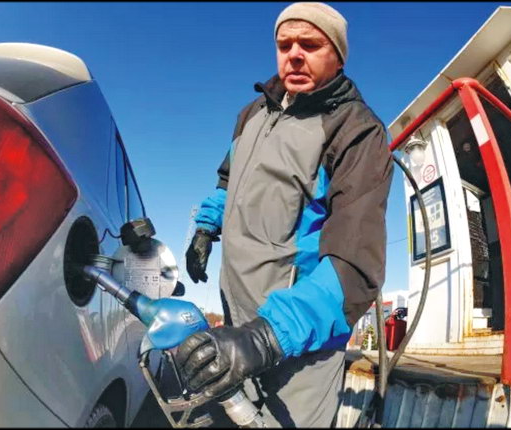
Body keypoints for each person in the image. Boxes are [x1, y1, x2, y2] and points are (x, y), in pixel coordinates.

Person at [178, 2, 393, 427]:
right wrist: (205, 227)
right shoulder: (252, 115)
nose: (294, 54)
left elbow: (354, 264)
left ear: (338, 56)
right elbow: (228, 182)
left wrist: (265, 338)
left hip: (298, 347)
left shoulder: (356, 130)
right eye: (284, 44)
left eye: (309, 45)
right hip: (236, 328)